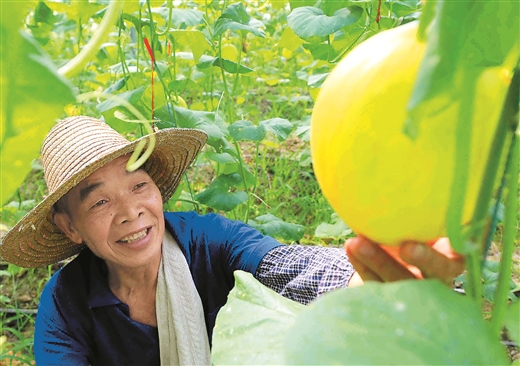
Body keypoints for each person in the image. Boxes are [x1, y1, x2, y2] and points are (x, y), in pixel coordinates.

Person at [0, 116, 464, 365]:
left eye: (139, 185)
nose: (130, 212)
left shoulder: (207, 240)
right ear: (70, 227)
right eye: (99, 203)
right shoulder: (65, 304)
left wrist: (366, 277)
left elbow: (292, 268)